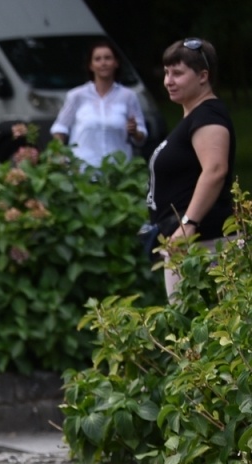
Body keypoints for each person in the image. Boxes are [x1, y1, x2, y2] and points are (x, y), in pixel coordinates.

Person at [146, 38, 234, 299]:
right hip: (186, 244)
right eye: (166, 73)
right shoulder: (194, 116)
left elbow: (215, 169)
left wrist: (188, 223)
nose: (168, 81)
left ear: (203, 76)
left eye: (177, 73)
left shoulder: (208, 116)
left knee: (197, 321)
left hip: (205, 244)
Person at [51, 39, 146, 168]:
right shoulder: (76, 95)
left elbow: (141, 136)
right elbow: (60, 128)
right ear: (91, 65)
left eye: (108, 58)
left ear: (116, 63)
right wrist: (59, 154)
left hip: (118, 169)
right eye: (98, 59)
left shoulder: (128, 96)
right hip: (82, 170)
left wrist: (135, 132)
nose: (103, 63)